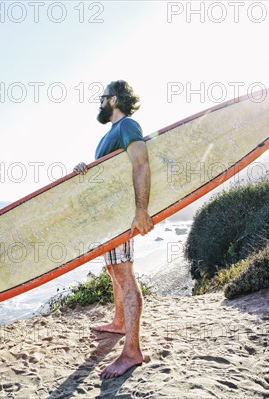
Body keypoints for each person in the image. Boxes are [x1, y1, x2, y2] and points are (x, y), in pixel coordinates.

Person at [73, 80, 154, 379]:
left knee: (124, 274)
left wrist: (141, 210)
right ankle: (120, 322)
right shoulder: (111, 134)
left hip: (120, 214)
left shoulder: (128, 126)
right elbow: (110, 172)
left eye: (103, 97)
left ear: (115, 99)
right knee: (113, 271)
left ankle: (132, 350)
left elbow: (141, 163)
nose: (99, 101)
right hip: (107, 217)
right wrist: (87, 169)